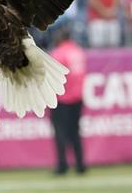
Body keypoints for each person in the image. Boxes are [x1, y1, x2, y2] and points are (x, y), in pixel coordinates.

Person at [50, 25, 87, 175]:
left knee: (60, 133)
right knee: (75, 132)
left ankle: (62, 165)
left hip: (62, 98)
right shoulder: (78, 51)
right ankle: (80, 165)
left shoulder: (58, 53)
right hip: (77, 97)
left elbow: (53, 77)